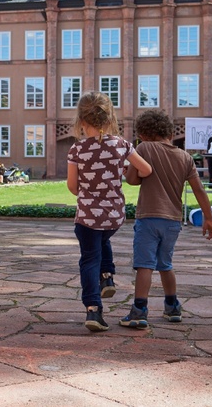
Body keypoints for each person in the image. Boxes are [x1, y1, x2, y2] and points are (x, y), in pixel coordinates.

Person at [121, 109, 212, 329]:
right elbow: (199, 190)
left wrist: (129, 170)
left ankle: (139, 310)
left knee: (144, 265)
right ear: (168, 131)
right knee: (166, 264)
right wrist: (209, 219)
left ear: (143, 133)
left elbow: (134, 181)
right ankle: (172, 306)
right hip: (173, 220)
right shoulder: (185, 157)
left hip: (148, 217)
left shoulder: (144, 148)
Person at [66, 91, 152, 332]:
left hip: (87, 216)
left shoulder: (77, 150)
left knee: (89, 258)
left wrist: (87, 191)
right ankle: (107, 276)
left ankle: (93, 309)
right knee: (103, 237)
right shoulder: (122, 145)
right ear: (110, 118)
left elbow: (73, 186)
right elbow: (146, 170)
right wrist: (124, 172)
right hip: (114, 215)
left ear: (82, 122)